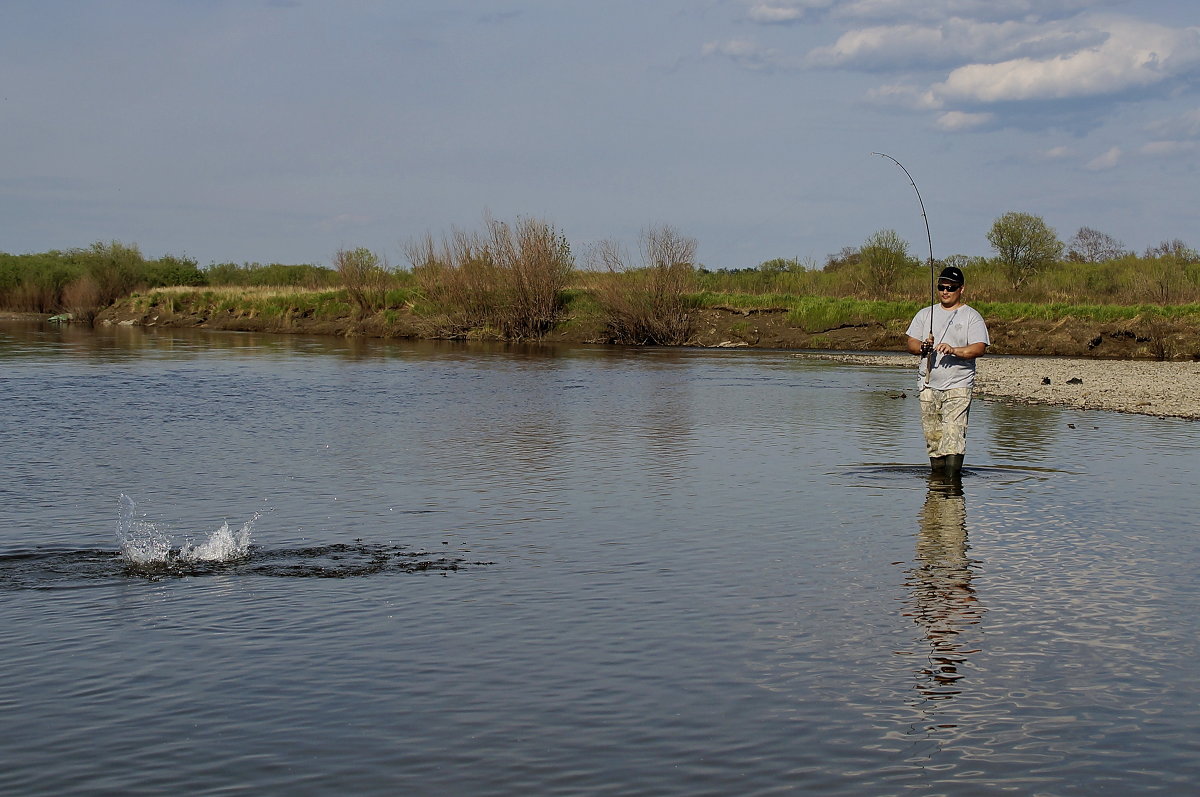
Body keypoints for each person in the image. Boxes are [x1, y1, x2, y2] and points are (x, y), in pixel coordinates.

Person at [905, 266, 989, 477]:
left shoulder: (971, 316)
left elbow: (979, 347)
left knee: (953, 436)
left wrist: (955, 350)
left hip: (959, 385)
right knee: (934, 439)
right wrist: (922, 347)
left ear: (961, 289)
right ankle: (937, 491)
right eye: (941, 287)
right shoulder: (924, 314)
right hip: (927, 385)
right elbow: (911, 343)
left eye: (950, 288)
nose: (945, 291)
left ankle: (952, 490)